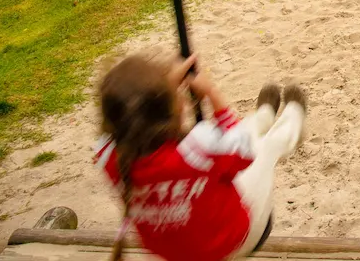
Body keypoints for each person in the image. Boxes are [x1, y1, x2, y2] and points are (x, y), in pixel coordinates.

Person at [95, 53, 307, 261]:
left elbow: (115, 128)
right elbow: (244, 152)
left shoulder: (110, 158)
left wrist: (159, 92)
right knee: (264, 147)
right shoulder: (197, 147)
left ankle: (263, 117)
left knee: (232, 139)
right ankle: (293, 118)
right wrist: (213, 95)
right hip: (236, 241)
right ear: (175, 107)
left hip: (175, 254)